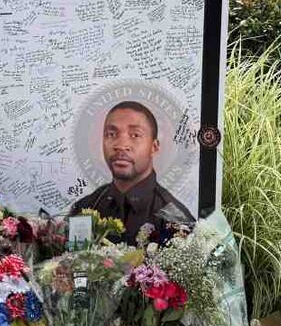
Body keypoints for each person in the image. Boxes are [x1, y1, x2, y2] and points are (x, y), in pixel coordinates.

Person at [70, 101, 194, 243]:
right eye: (111, 134)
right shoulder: (86, 208)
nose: (121, 145)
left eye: (135, 135)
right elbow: (73, 261)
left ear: (154, 147)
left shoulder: (175, 220)